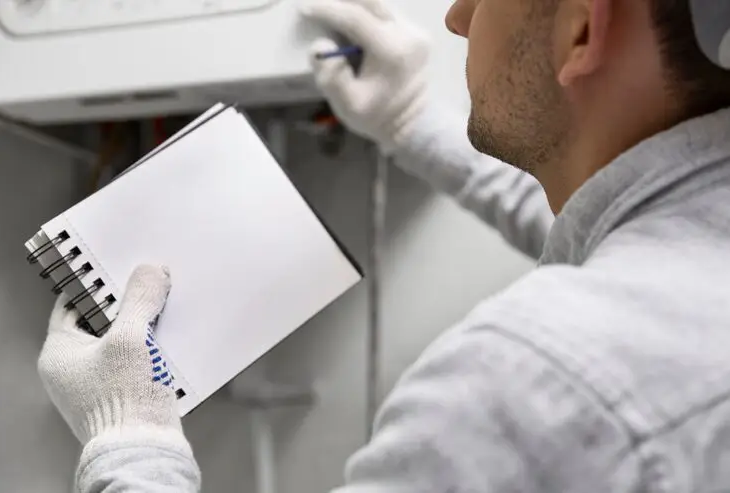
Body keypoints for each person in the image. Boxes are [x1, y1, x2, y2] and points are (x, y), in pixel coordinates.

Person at [37, 0, 730, 491]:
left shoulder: (534, 377)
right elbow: (605, 236)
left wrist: (126, 437)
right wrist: (409, 123)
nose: (457, 16)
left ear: (582, 29)